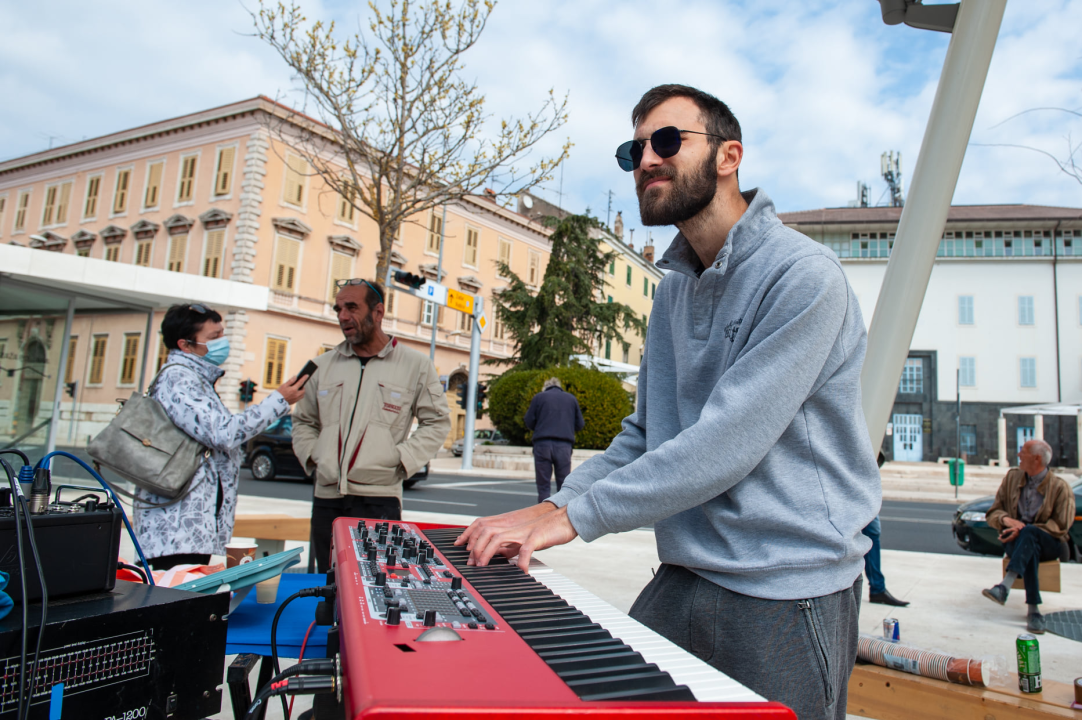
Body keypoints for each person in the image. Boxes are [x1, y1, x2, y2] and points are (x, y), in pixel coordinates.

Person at [456, 84, 880, 720]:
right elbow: (643, 436)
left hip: (786, 588)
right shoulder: (674, 290)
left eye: (666, 140)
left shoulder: (805, 277)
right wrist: (549, 507)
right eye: (634, 151)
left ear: (729, 156)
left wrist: (574, 518)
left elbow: (724, 446)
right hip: (686, 572)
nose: (647, 159)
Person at [292, 279, 450, 573]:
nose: (342, 316)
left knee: (375, 583)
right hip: (327, 499)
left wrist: (399, 460)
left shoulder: (416, 366)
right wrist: (316, 457)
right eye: (338, 309)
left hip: (380, 499)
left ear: (378, 312)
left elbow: (437, 422)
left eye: (352, 307)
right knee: (328, 584)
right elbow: (303, 421)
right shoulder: (321, 366)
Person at [133, 303, 307, 570]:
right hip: (175, 529)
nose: (222, 342)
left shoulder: (195, 377)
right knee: (176, 590)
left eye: (222, 334)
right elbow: (223, 433)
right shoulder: (179, 379)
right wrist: (279, 401)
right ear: (185, 344)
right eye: (214, 337)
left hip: (185, 527)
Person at [982, 439, 1075, 634]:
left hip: (1049, 543)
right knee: (1029, 545)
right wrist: (1007, 520)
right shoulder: (1012, 478)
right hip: (1016, 542)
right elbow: (993, 512)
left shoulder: (1060, 487)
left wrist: (1024, 529)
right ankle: (1033, 611)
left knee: (1030, 534)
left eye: (1022, 452)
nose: (1018, 455)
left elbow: (1061, 525)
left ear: (1037, 459)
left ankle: (1004, 587)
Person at [525, 377, 585, 503]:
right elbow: (580, 424)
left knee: (543, 486)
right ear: (559, 386)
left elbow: (529, 421)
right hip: (564, 446)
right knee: (563, 486)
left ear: (545, 387)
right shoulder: (571, 399)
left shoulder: (539, 397)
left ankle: (544, 512)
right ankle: (560, 511)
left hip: (542, 444)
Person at [864, 453, 909, 607]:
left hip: (865, 482)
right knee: (869, 534)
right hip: (854, 481)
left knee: (872, 533)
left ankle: (877, 588)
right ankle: (876, 588)